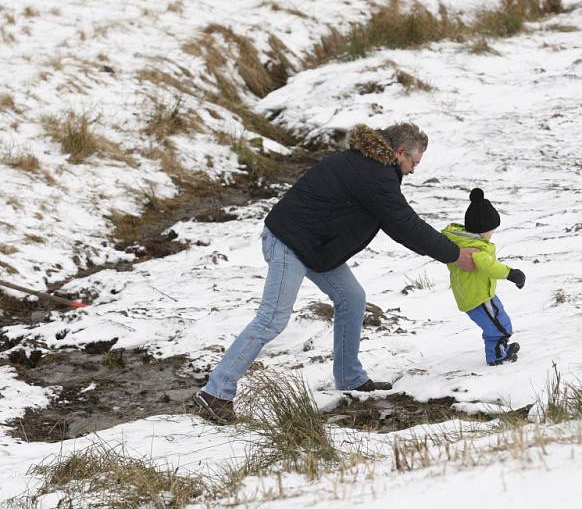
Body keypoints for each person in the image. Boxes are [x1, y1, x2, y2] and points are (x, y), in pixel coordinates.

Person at [194, 122, 477, 423]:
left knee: (352, 298)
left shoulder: (371, 165)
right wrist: (454, 255)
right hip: (288, 242)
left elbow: (397, 221)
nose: (412, 170)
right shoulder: (375, 174)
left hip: (313, 247)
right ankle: (215, 393)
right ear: (399, 152)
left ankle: (350, 378)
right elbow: (405, 225)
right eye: (413, 162)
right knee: (273, 318)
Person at [441, 188, 526, 366]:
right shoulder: (476, 249)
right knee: (499, 327)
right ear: (482, 229)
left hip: (478, 293)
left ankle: (499, 349)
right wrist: (512, 274)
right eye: (491, 229)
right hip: (478, 297)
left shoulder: (461, 242)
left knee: (498, 322)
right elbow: (490, 267)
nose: (492, 233)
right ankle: (496, 356)